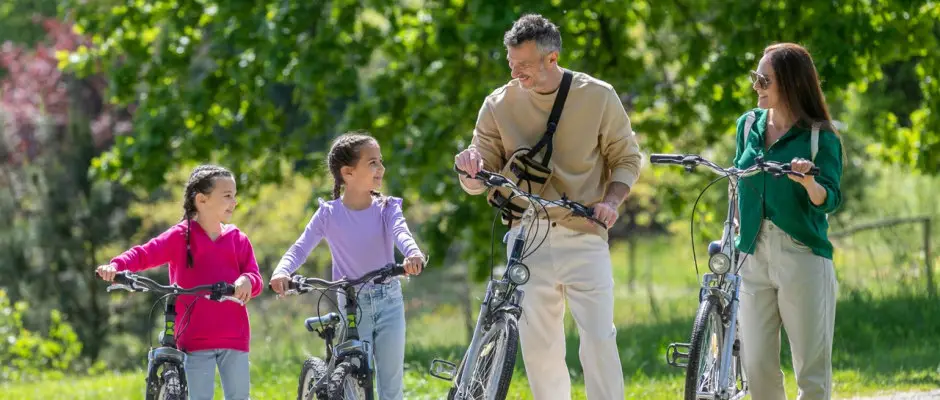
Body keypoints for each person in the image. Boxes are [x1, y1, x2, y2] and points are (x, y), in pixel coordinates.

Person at [454, 14, 642, 400]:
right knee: (539, 348)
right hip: (527, 236)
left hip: (585, 230)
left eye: (524, 65)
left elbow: (627, 158)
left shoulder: (598, 96)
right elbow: (478, 173)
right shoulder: (498, 104)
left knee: (599, 339)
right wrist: (470, 167)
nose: (516, 73)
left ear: (552, 59)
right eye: (512, 65)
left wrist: (610, 201)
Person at [269, 131, 426, 400]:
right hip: (353, 304)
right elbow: (300, 247)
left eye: (381, 161)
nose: (381, 168)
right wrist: (282, 271)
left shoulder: (387, 207)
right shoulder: (329, 214)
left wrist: (412, 254)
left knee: (391, 385)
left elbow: (402, 233)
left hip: (389, 300)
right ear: (348, 172)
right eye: (373, 162)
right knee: (352, 382)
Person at [733, 42, 844, 400]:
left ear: (792, 84)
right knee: (757, 367)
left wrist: (809, 182)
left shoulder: (819, 136)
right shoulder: (748, 124)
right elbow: (736, 180)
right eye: (756, 78)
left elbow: (830, 199)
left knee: (811, 371)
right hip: (752, 251)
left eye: (764, 80)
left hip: (803, 254)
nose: (756, 87)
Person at [95, 164, 264, 400]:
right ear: (202, 200)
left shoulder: (238, 239)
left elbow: (255, 277)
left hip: (233, 337)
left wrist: (246, 280)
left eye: (234, 196)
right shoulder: (180, 236)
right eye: (227, 196)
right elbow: (144, 253)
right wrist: (116, 265)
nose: (234, 202)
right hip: (193, 339)